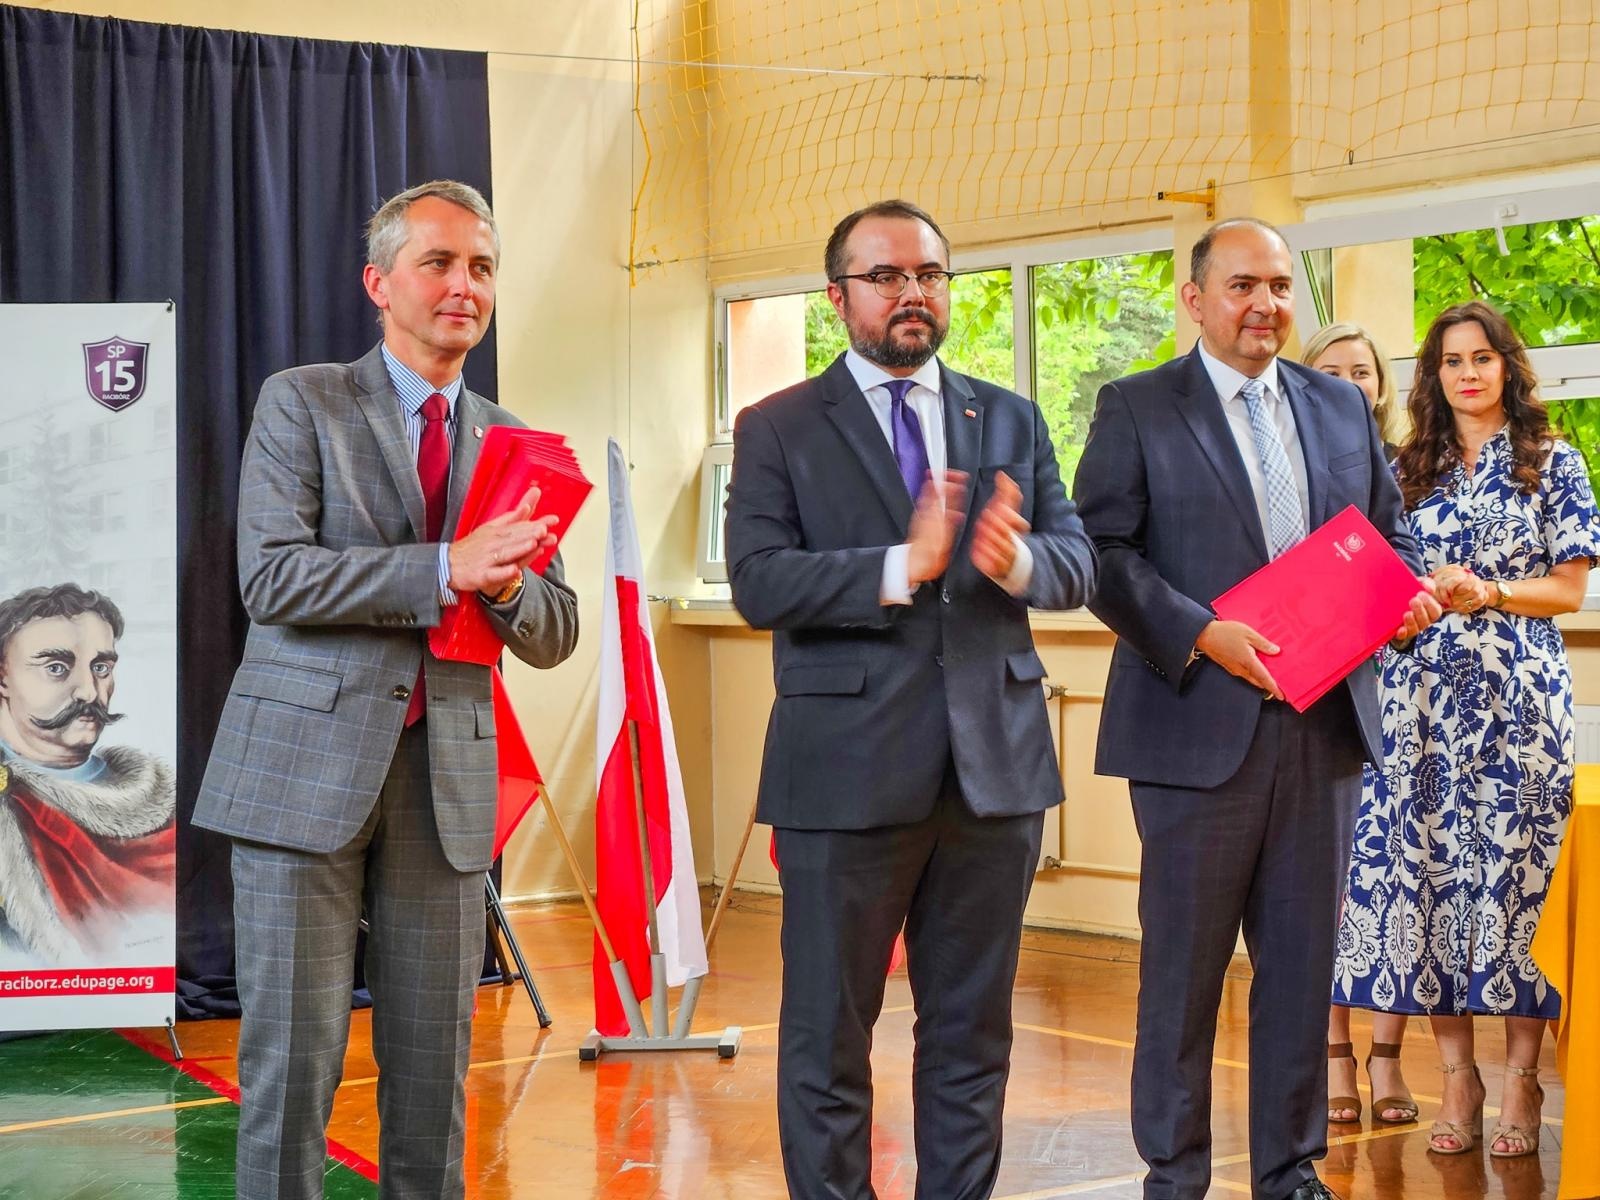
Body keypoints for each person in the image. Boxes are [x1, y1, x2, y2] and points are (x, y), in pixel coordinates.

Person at [193, 179, 579, 1200]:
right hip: (296, 777)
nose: (465, 285)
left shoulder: (514, 441)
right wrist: (447, 566)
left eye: (483, 267)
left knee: (432, 1070)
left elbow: (554, 631)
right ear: (380, 282)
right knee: (293, 1059)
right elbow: (271, 577)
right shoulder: (304, 399)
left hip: (444, 784)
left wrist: (503, 586)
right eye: (440, 263)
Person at [725, 198, 1097, 1200]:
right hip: (841, 777)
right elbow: (759, 580)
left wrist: (1014, 557)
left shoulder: (1007, 415)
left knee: (972, 1036)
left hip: (994, 777)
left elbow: (1075, 562)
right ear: (837, 294)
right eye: (886, 277)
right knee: (827, 1039)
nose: (912, 294)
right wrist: (903, 562)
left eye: (929, 274)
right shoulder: (777, 427)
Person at [1072, 217, 1440, 1200]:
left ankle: (1289, 1173)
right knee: (1184, 979)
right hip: (1194, 729)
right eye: (1242, 285)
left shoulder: (1336, 407)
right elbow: (1100, 557)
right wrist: (1198, 633)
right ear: (1194, 299)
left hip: (1321, 734)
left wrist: (1404, 600)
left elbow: (1383, 539)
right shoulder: (1137, 407)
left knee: (1297, 974)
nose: (1265, 304)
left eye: (1279, 285)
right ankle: (1174, 1177)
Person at [1331, 300, 1599, 1158]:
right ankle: (1458, 1077)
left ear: (1507, 366)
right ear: (1433, 375)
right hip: (1417, 706)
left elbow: (1568, 590)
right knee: (1434, 882)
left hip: (1519, 706)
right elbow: (1375, 579)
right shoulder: (1408, 466)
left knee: (1515, 885)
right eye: (1452, 361)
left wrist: (1489, 590)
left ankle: (1521, 1079)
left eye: (1483, 357)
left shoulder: (1554, 461)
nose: (1469, 372)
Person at [1299, 322, 1418, 1125]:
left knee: (1398, 889)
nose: (1350, 383)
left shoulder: (1415, 464)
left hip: (1406, 692)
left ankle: (1387, 1058)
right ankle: (1332, 1055)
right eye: (1332, 370)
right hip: (1320, 685)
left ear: (1382, 385)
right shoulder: (1290, 463)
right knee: (1330, 893)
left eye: (1363, 371)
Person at [0, 583, 174, 966]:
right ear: (3, 676)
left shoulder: (161, 802)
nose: (88, 692)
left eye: (101, 668)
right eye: (56, 668)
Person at [1302, 322, 1402, 461]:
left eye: (1361, 373)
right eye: (1331, 374)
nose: (1348, 385)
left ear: (1381, 384)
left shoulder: (1412, 469)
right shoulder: (1293, 466)